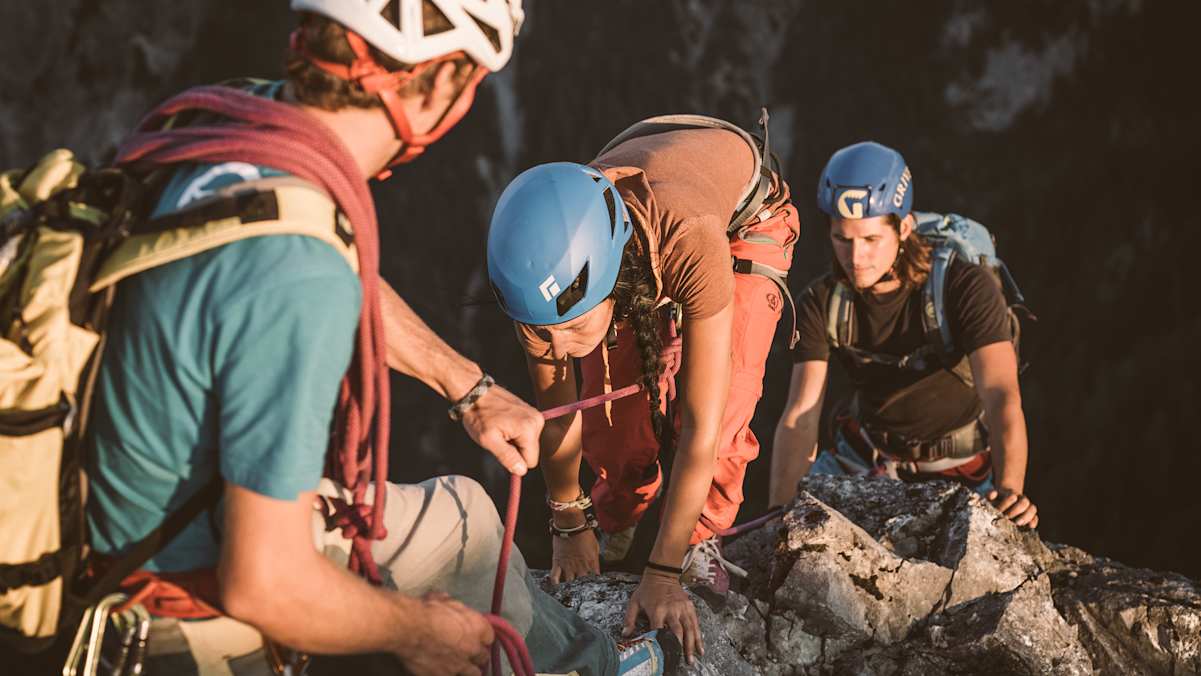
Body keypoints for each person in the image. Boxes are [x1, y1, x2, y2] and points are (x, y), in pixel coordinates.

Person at [85, 2, 669, 674]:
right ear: (438, 84)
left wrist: (467, 386)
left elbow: (334, 257)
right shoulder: (291, 274)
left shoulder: (231, 123)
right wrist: (417, 630)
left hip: (137, 512)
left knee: (465, 520)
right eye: (468, 82)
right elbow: (265, 580)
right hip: (174, 606)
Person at [486, 115, 801, 663]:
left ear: (608, 284)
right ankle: (620, 518)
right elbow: (560, 411)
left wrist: (663, 573)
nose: (553, 349)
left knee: (726, 418)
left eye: (568, 329)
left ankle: (700, 541)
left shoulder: (688, 241)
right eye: (541, 333)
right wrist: (568, 519)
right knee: (612, 429)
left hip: (745, 216)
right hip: (643, 220)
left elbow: (702, 426)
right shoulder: (545, 281)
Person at [770, 141, 1038, 529]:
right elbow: (801, 415)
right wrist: (779, 515)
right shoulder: (821, 301)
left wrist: (1011, 491)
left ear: (904, 227)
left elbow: (1000, 393)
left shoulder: (963, 288)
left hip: (960, 470)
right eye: (842, 239)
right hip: (865, 456)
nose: (855, 257)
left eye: (871, 239)